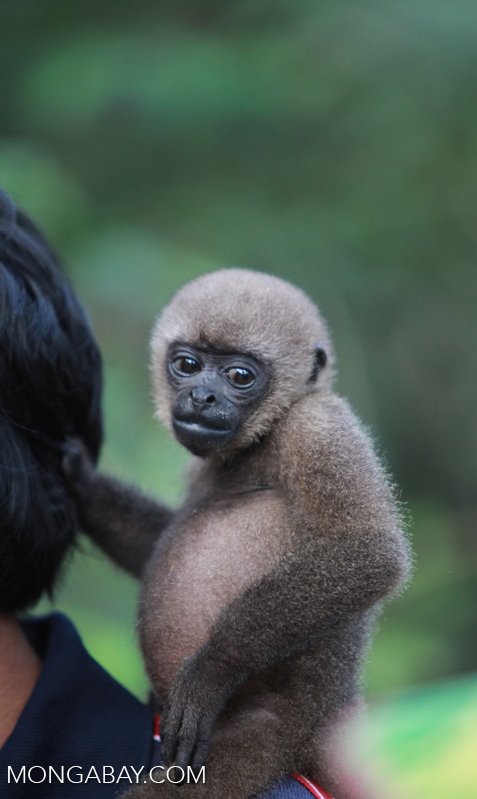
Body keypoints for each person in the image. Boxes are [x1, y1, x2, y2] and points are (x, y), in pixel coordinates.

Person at [0, 190, 332, 799]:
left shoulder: (314, 437)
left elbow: (375, 557)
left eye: (238, 377)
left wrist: (224, 657)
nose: (203, 396)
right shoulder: (219, 473)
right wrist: (86, 492)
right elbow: (180, 555)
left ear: (306, 373)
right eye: (186, 367)